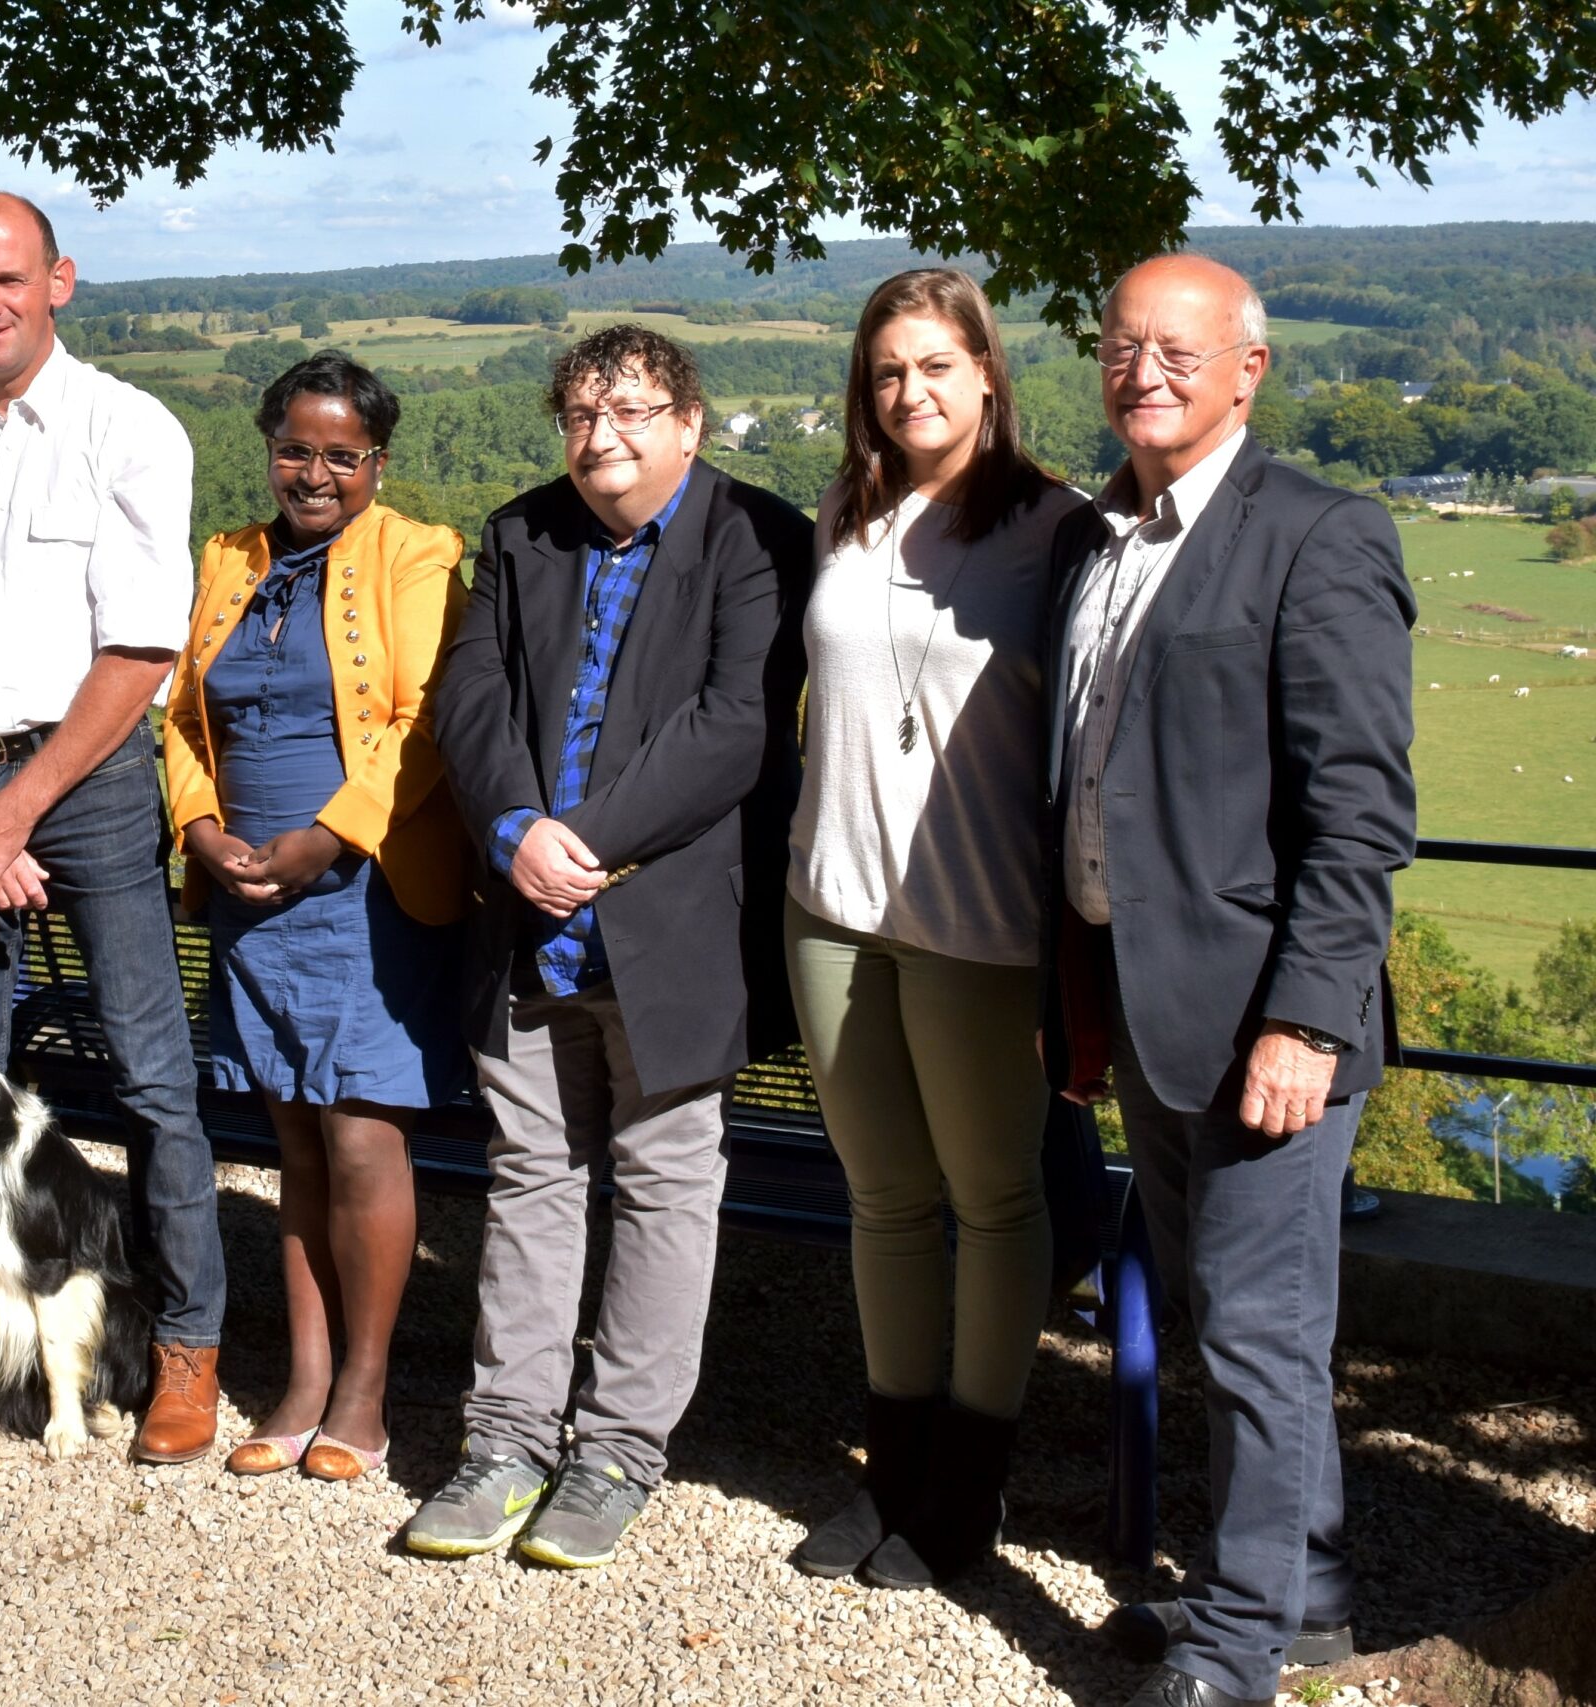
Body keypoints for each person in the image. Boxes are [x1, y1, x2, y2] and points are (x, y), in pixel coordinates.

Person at [1046, 255, 1415, 1707]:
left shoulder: (1320, 535)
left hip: (1268, 1023)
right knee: (1220, 1316)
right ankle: (1296, 1594)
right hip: (1145, 1012)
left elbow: (1362, 809)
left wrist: (1311, 1016)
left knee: (1260, 1330)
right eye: (1123, 347)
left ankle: (1234, 1646)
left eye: (1179, 349)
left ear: (1250, 369)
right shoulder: (1098, 539)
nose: (1146, 370)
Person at [415, 325, 812, 1567]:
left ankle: (619, 1451)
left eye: (634, 411)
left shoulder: (757, 537)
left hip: (670, 923)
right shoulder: (520, 531)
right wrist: (515, 831)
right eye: (583, 415)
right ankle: (505, 1443)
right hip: (527, 920)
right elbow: (468, 700)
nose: (605, 438)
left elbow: (734, 725)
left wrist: (579, 841)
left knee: (661, 1185)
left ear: (688, 423)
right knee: (531, 1181)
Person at [0, 192, 228, 1462]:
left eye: (10, 278)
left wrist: (16, 809)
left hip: (95, 781)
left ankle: (184, 1348)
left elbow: (139, 647)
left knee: (151, 1082)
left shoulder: (131, 428)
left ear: (60, 281)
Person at [781, 269, 1080, 1590]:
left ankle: (967, 1485)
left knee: (996, 1199)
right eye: (890, 370)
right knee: (886, 1197)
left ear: (988, 375)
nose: (913, 391)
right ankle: (892, 1473)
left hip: (979, 924)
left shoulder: (1057, 528)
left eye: (937, 366)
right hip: (832, 911)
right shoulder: (843, 511)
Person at [163, 353, 470, 1482]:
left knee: (358, 1134)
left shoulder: (418, 555)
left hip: (365, 886)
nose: (315, 473)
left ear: (376, 463)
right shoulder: (227, 558)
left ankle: (363, 1393)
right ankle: (299, 1375)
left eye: (342, 455)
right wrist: (199, 828)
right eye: (296, 448)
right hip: (248, 890)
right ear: (269, 448)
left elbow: (424, 718)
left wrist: (327, 837)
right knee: (289, 1131)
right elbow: (184, 720)